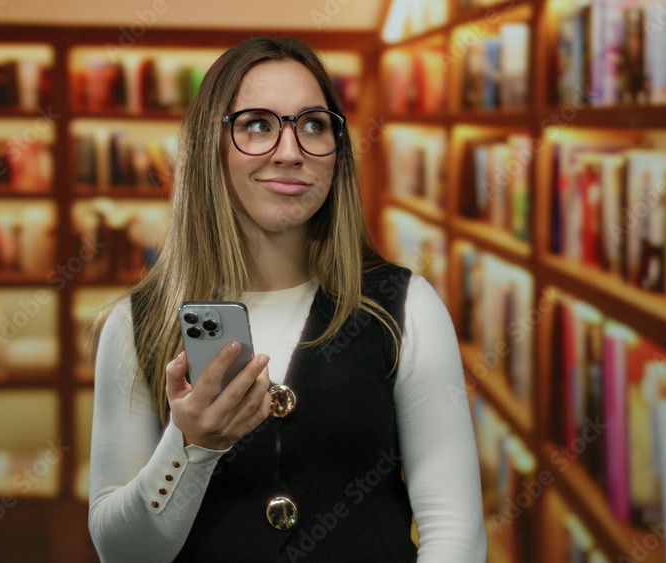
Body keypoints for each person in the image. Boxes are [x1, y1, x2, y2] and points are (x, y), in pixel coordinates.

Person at [88, 37, 487, 562]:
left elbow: (454, 532)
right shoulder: (136, 324)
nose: (291, 152)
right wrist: (189, 447)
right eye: (257, 124)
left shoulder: (405, 308)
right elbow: (124, 553)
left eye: (313, 125)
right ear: (211, 146)